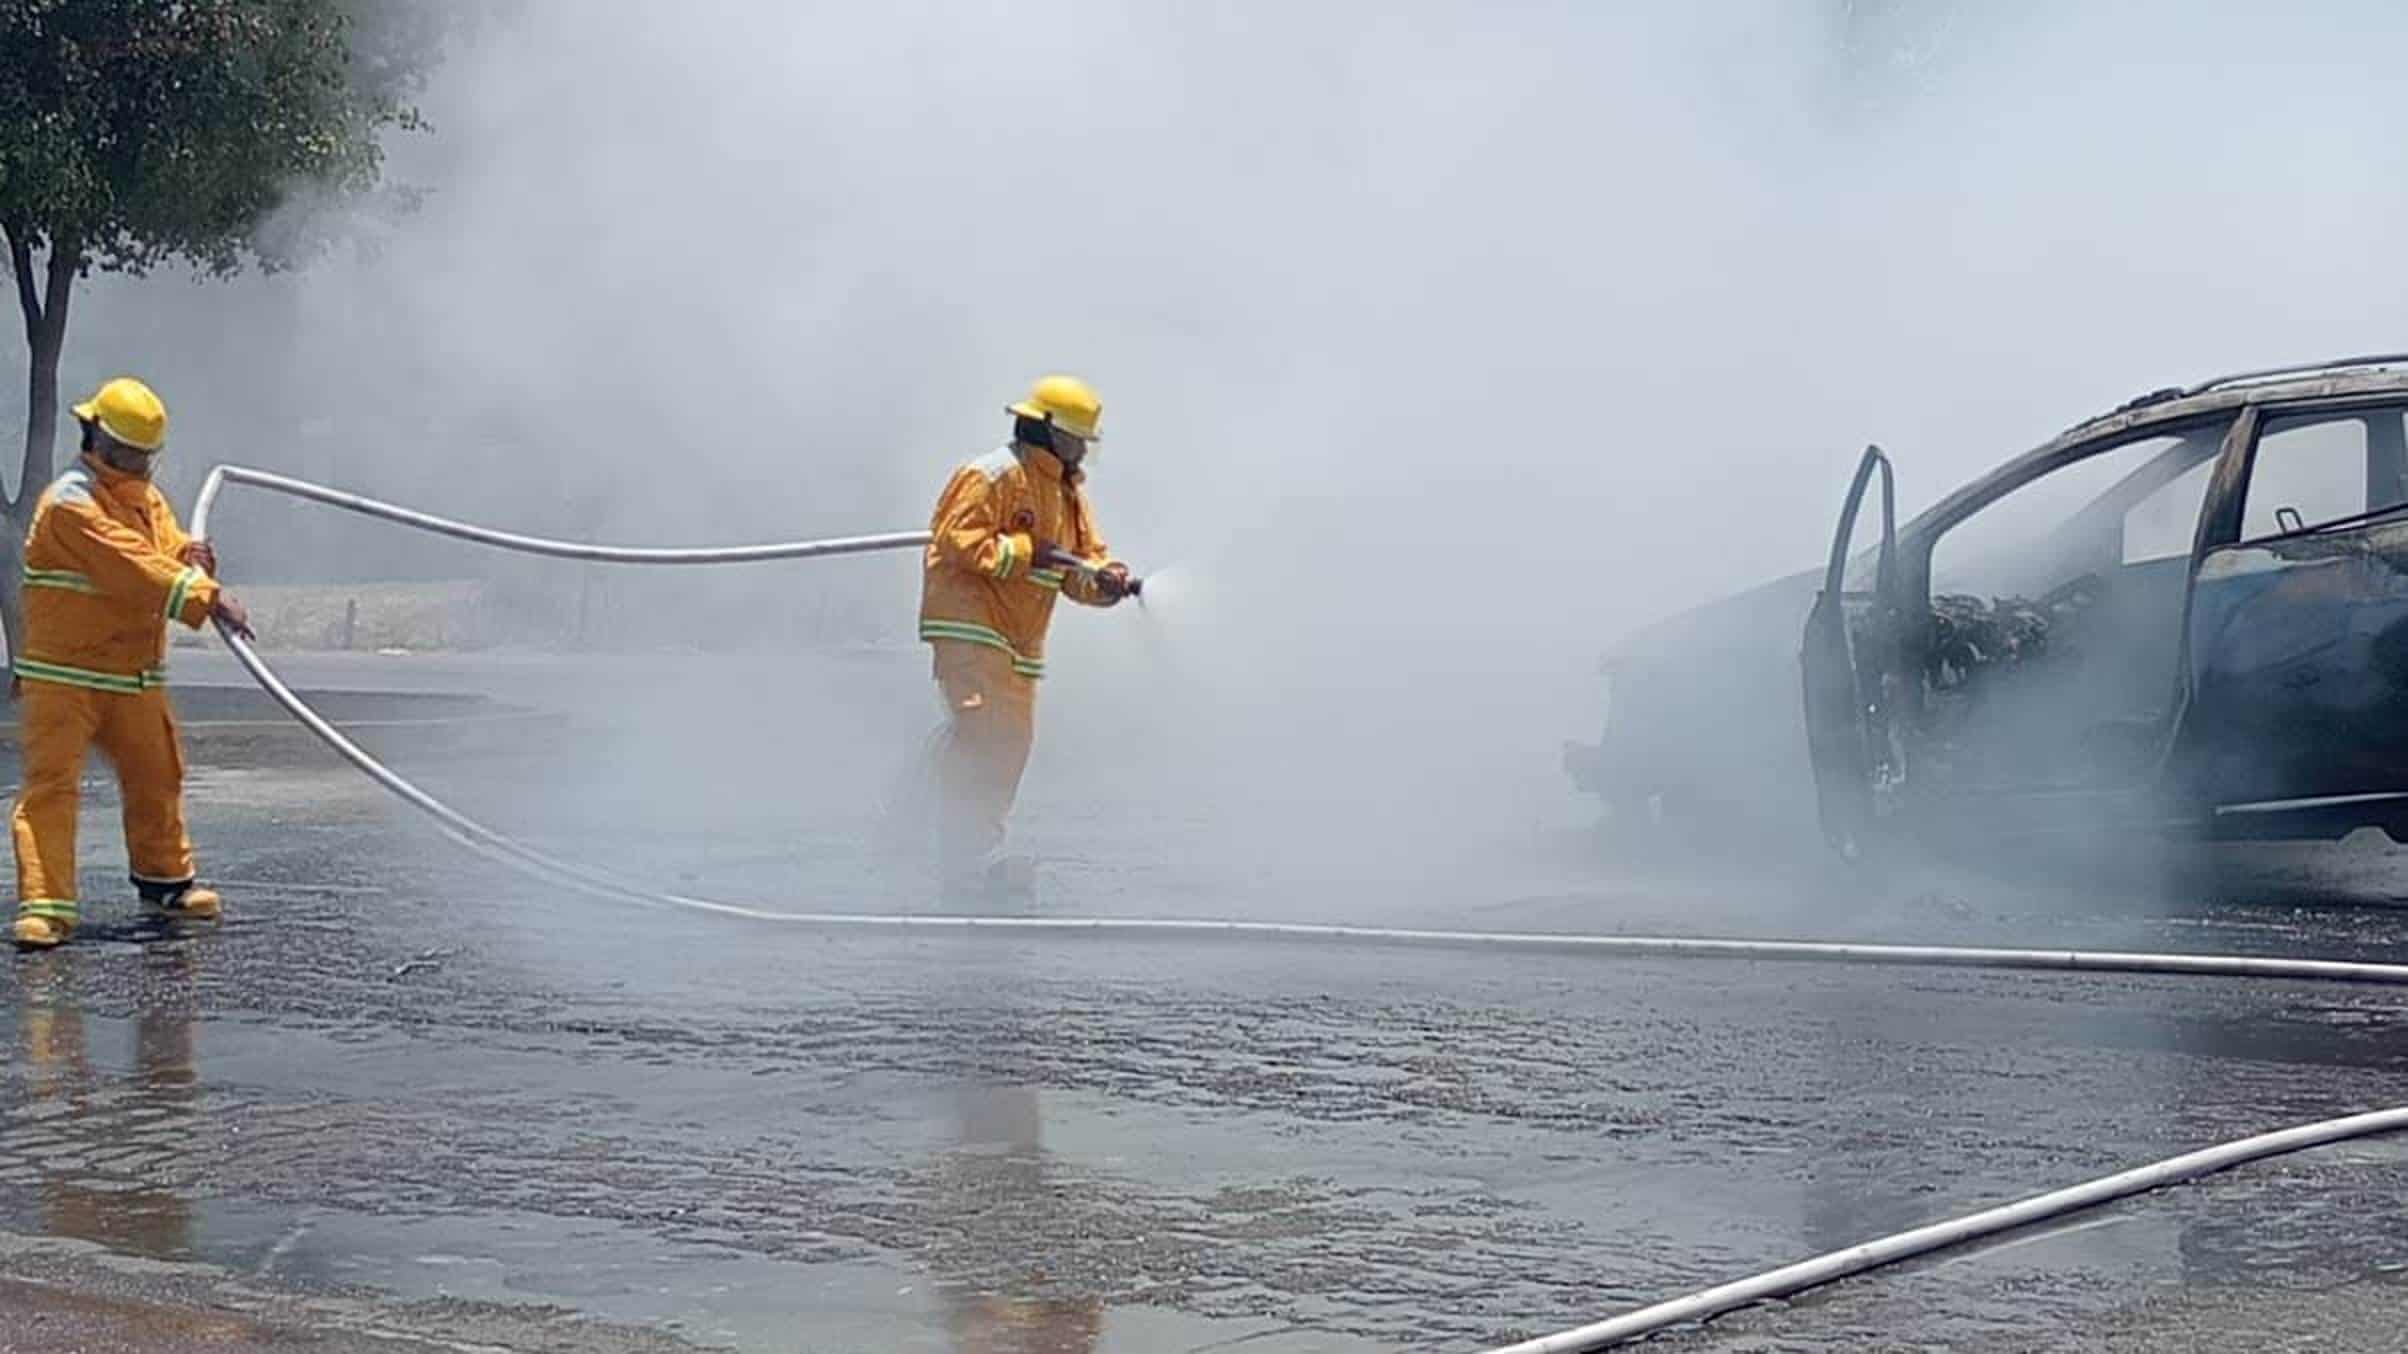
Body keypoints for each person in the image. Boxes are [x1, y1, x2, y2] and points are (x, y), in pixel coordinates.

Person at [12, 377, 253, 951]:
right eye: (124, 453)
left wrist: (189, 556)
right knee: (53, 787)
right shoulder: (68, 504)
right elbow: (132, 565)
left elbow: (162, 549)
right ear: (93, 437)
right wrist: (206, 594)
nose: (135, 466)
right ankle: (46, 907)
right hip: (63, 676)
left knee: (158, 776)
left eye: (143, 456)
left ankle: (167, 884)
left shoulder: (145, 500)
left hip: (131, 674)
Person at [915, 375, 1134, 897]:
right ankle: (954, 848)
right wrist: (1025, 550)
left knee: (1010, 744)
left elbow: (1080, 565)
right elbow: (958, 540)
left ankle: (972, 852)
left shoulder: (1067, 495)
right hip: (970, 622)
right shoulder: (991, 474)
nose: (1083, 450)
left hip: (1022, 639)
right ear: (1050, 431)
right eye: (1077, 439)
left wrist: (1105, 581)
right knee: (984, 731)